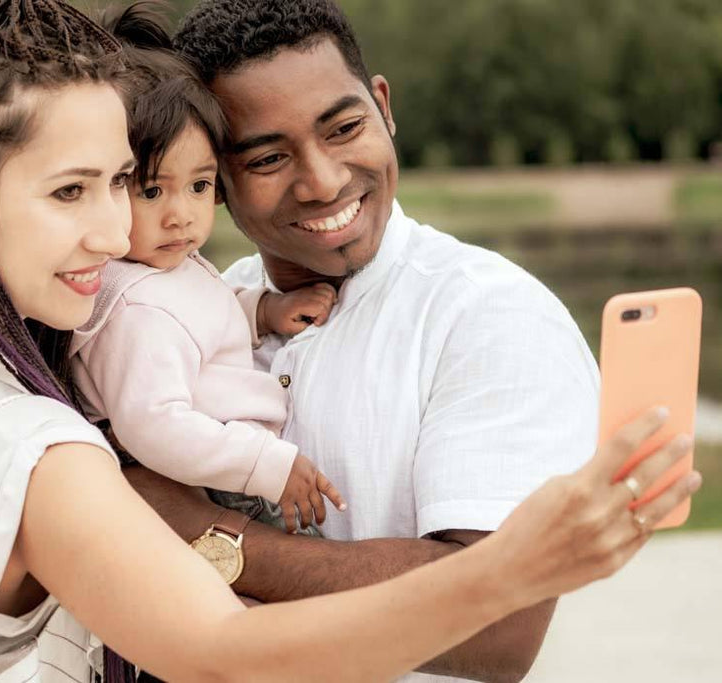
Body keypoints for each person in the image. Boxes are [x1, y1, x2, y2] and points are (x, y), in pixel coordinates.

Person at [0, 1, 700, 682]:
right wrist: (512, 566)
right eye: (71, 190)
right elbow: (220, 654)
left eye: (125, 183)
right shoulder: (36, 443)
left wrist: (200, 529)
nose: (116, 230)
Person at [116, 1, 696, 681]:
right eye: (269, 156)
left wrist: (208, 537)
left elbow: (497, 630)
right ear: (213, 173)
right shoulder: (199, 308)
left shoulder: (492, 316)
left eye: (345, 127)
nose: (324, 179)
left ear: (383, 107)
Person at [70, 3, 344, 537]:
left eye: (199, 185)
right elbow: (152, 423)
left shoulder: (155, 271)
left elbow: (198, 318)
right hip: (217, 479)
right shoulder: (137, 309)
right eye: (152, 190)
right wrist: (265, 465)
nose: (183, 215)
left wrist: (262, 310)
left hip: (231, 465)